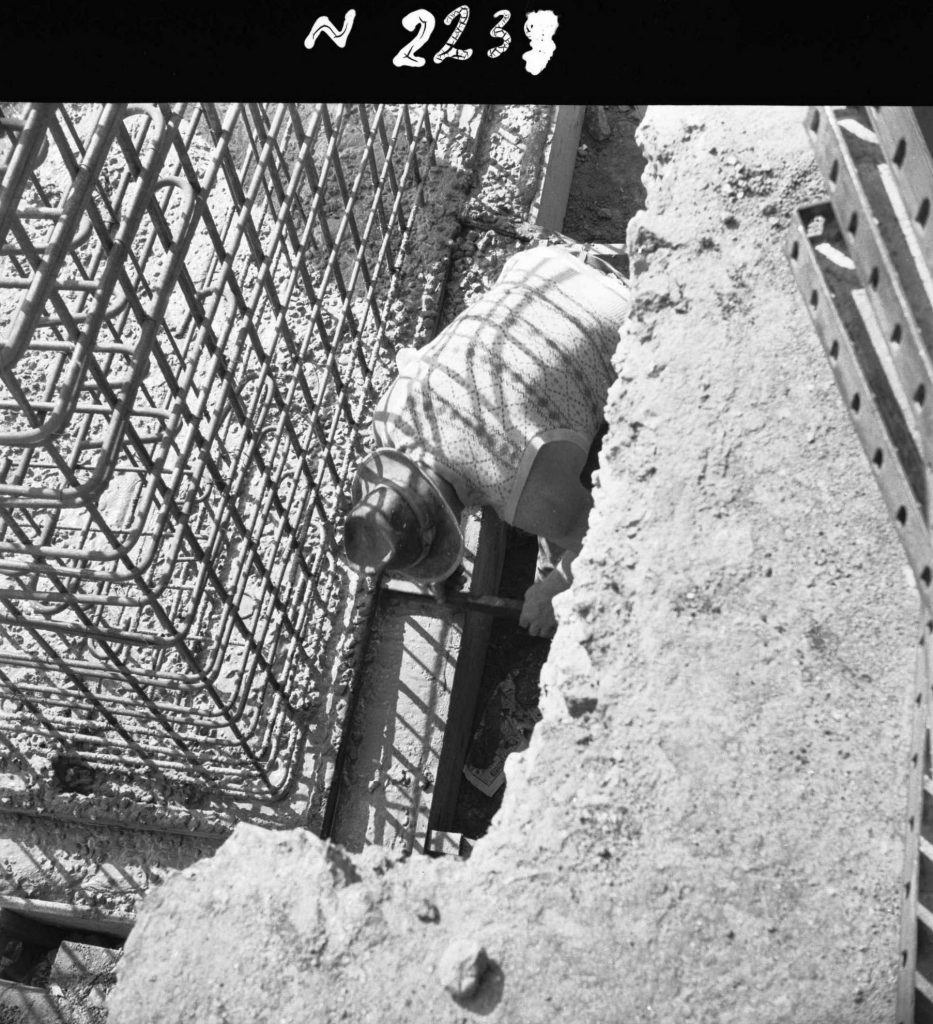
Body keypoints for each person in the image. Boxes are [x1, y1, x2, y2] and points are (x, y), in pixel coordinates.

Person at [342, 243, 629, 638]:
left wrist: (556, 588)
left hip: (631, 310)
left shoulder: (529, 496)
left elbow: (611, 531)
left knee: (569, 533)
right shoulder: (388, 414)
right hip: (552, 261)